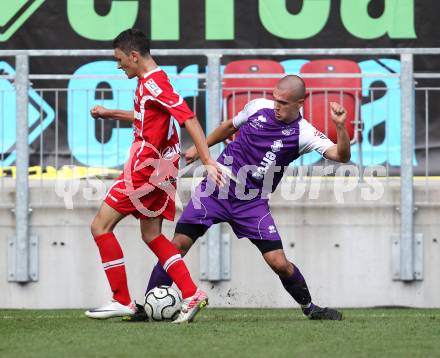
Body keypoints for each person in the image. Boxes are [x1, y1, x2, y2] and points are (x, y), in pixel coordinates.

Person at [145, 75, 350, 320]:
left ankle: (310, 308)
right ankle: (149, 304)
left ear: (300, 103)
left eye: (283, 102)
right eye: (275, 99)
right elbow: (229, 127)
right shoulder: (257, 107)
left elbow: (341, 155)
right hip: (216, 188)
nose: (276, 106)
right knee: (177, 245)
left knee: (279, 263)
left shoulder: (303, 133)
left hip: (252, 202)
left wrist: (340, 126)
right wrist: (201, 150)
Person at [85, 28, 223, 323]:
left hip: (146, 169)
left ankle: (121, 299)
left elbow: (188, 118)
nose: (118, 65)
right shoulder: (150, 83)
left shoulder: (155, 84)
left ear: (134, 56)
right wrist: (111, 113)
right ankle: (192, 293)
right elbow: (147, 117)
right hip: (163, 169)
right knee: (152, 235)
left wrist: (207, 159)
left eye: (119, 59)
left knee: (100, 226)